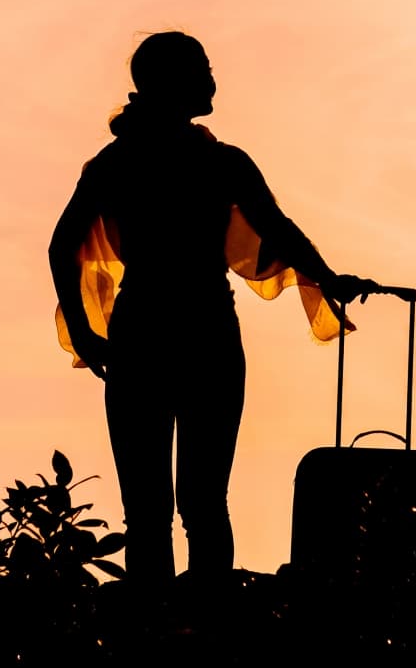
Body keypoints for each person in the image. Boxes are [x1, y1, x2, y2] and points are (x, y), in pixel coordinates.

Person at [48, 30, 369, 591]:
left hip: (142, 331)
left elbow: (61, 246)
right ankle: (203, 628)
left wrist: (86, 332)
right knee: (201, 501)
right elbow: (281, 231)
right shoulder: (220, 163)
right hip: (203, 332)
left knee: (147, 508)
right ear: (177, 83)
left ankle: (157, 630)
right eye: (203, 69)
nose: (213, 79)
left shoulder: (116, 163)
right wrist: (327, 276)